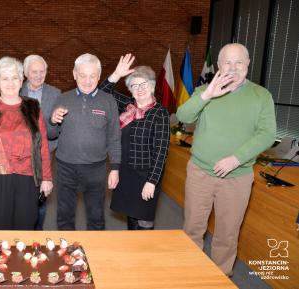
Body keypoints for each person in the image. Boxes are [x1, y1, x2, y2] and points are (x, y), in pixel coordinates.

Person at [176, 43, 276, 276]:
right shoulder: (204, 90)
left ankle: (220, 277)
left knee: (227, 233)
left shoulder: (261, 95)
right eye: (227, 62)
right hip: (200, 173)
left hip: (237, 178)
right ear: (219, 65)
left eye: (239, 62)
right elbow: (183, 116)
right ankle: (189, 273)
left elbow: (267, 134)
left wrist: (236, 158)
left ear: (248, 63)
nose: (233, 67)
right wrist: (208, 95)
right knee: (192, 227)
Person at [0, 56, 53, 230]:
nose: (10, 83)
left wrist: (46, 177)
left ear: (21, 80)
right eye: (5, 78)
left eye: (15, 77)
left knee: (25, 230)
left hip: (28, 180)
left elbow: (42, 145)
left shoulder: (33, 106)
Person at [49, 53, 121, 230]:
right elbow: (51, 134)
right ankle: (66, 255)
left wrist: (115, 168)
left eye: (92, 75)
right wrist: (52, 121)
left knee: (96, 217)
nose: (87, 81)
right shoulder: (62, 98)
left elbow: (114, 137)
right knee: (64, 216)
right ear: (74, 74)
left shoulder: (108, 101)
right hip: (65, 167)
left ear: (99, 76)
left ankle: (95, 254)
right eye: (82, 75)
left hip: (96, 168)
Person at [99, 54, 170, 230]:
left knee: (144, 221)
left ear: (152, 86)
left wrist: (152, 181)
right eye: (134, 85)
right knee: (131, 218)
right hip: (125, 173)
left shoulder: (159, 113)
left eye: (144, 84)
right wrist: (116, 74)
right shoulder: (127, 106)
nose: (139, 89)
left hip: (145, 175)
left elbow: (160, 152)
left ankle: (144, 256)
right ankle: (133, 254)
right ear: (130, 89)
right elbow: (101, 93)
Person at [20, 54, 61, 230]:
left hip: (44, 152)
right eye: (34, 72)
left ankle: (37, 232)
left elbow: (54, 133)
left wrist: (52, 121)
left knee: (40, 196)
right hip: (19, 154)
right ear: (26, 73)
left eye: (42, 71)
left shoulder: (56, 94)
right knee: (21, 196)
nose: (38, 75)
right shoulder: (15, 90)